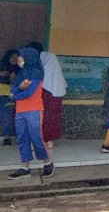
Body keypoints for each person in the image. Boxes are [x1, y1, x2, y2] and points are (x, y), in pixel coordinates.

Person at [7, 48, 54, 179]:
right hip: (20, 111)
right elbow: (14, 87)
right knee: (22, 139)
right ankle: (24, 167)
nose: (19, 59)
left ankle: (48, 164)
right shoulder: (21, 73)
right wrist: (19, 89)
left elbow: (29, 92)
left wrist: (16, 94)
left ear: (28, 57)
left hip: (34, 109)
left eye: (21, 57)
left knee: (36, 138)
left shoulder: (36, 73)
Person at [27, 43, 66, 149]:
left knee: (46, 116)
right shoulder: (47, 57)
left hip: (46, 90)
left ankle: (45, 140)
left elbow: (40, 75)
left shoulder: (48, 58)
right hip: (52, 91)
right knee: (47, 116)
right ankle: (46, 140)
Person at [0, 50, 17, 146]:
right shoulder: (2, 65)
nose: (14, 59)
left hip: (9, 94)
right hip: (4, 93)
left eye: (16, 57)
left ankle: (7, 137)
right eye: (12, 57)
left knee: (7, 116)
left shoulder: (18, 69)